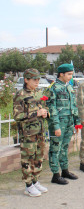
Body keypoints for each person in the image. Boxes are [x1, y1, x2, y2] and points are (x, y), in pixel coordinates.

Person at [13, 68, 49, 196]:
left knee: (39, 157)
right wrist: (36, 113)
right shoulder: (20, 94)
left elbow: (43, 107)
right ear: (26, 80)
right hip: (28, 134)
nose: (37, 81)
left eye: (38, 79)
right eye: (34, 79)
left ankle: (35, 181)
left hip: (39, 131)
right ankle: (28, 185)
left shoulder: (38, 93)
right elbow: (17, 116)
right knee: (28, 159)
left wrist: (46, 113)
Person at [46, 63, 80, 185]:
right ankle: (55, 174)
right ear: (61, 74)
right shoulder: (53, 88)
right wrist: (56, 126)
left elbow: (74, 106)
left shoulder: (69, 87)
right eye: (69, 74)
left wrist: (77, 122)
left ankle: (65, 170)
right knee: (55, 149)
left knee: (65, 147)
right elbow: (52, 109)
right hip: (59, 123)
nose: (71, 76)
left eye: (71, 74)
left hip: (69, 122)